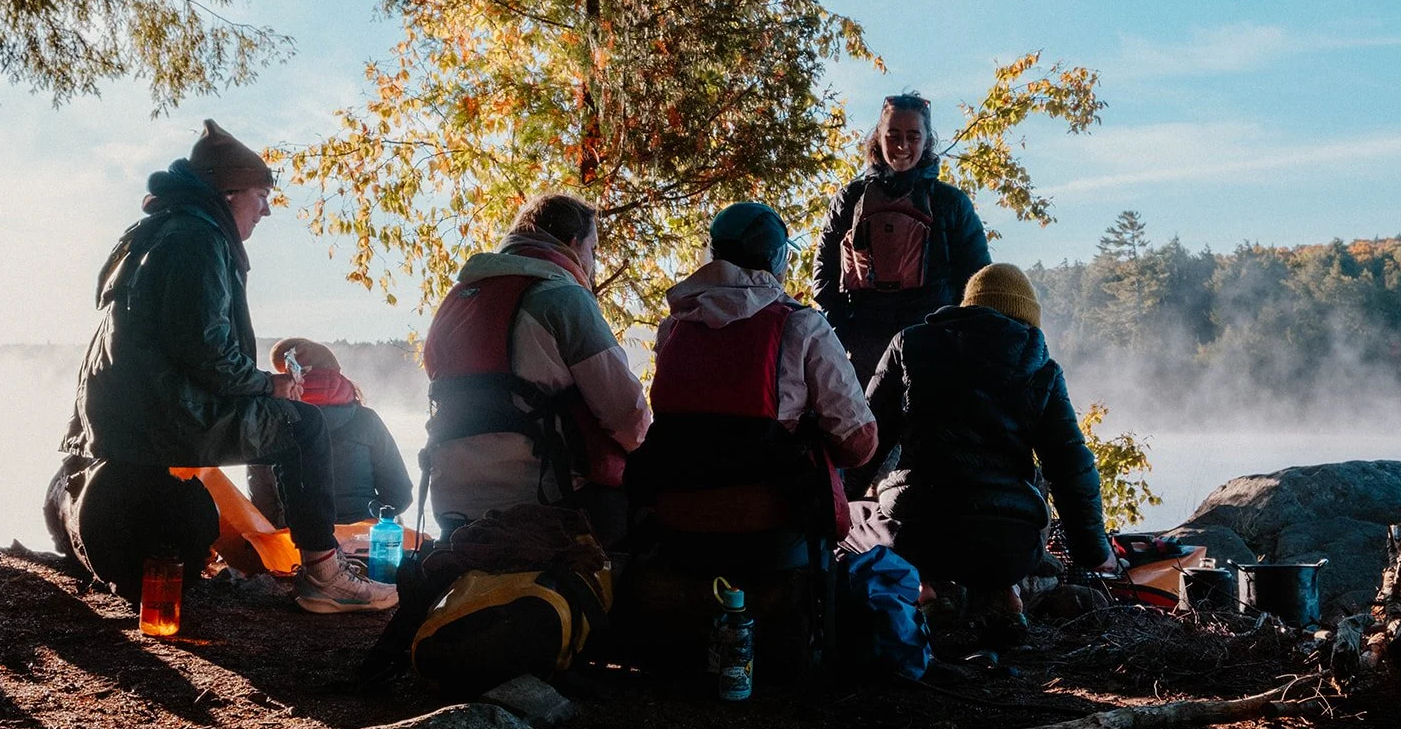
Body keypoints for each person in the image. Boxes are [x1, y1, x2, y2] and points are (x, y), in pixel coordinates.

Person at [59, 120, 396, 614]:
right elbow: (205, 350)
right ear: (230, 191)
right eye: (261, 195)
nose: (266, 208)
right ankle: (325, 574)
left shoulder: (161, 231)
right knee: (302, 425)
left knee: (285, 419)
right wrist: (270, 385)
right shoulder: (197, 238)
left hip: (129, 416)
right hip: (164, 415)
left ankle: (319, 563)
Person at [848, 263, 1117, 645]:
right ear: (1026, 320)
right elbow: (1072, 466)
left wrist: (841, 501)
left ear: (968, 307)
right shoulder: (1040, 367)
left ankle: (929, 591)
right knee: (1023, 499)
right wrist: (1093, 552)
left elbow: (866, 441)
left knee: (861, 518)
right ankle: (1002, 598)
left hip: (922, 536)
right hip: (1010, 547)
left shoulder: (910, 345)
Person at [628, 202, 877, 559]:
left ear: (712, 255)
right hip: (771, 530)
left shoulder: (674, 327)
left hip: (676, 526)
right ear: (777, 259)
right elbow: (857, 443)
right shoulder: (802, 324)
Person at [421, 193, 650, 547]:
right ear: (574, 244)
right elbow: (628, 417)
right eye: (593, 249)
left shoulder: (455, 302)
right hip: (549, 501)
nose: (592, 262)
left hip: (452, 506)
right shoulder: (563, 299)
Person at [813, 93, 992, 389]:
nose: (902, 146)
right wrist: (846, 333)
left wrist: (953, 340)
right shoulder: (848, 201)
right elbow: (824, 277)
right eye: (893, 135)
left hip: (932, 350)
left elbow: (977, 283)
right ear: (878, 137)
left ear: (926, 141)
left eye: (913, 136)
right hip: (867, 352)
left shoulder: (951, 204)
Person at [247, 338, 413, 526]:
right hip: (364, 538)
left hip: (295, 542)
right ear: (335, 373)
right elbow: (400, 495)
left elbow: (262, 507)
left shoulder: (268, 424)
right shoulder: (366, 419)